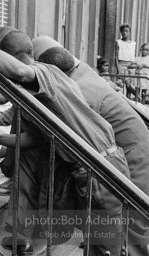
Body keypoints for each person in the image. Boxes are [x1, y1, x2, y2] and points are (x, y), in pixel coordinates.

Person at [0, 27, 130, 256]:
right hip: (100, 166)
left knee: (106, 249)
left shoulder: (40, 73)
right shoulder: (50, 77)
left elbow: (19, 70)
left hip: (99, 171)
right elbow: (36, 137)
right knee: (96, 242)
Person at [34, 35, 149, 256]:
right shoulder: (83, 70)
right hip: (137, 149)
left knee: (131, 230)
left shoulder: (78, 91)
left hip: (132, 159)